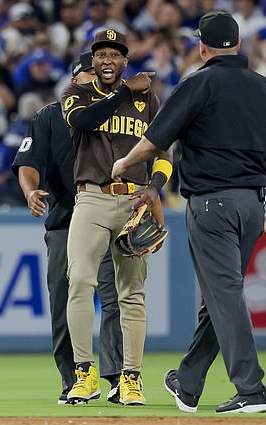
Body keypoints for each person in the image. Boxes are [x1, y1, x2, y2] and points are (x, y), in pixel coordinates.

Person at [112, 11, 266, 414]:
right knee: (219, 296)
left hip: (212, 203)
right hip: (253, 203)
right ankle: (188, 382)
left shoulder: (197, 82)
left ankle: (251, 388)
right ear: (239, 44)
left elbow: (156, 139)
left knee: (224, 293)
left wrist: (123, 164)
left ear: (202, 46)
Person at [61, 29, 172, 406]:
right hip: (91, 198)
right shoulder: (76, 94)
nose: (107, 60)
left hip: (133, 202)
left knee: (132, 294)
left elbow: (162, 152)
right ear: (92, 61)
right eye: (101, 54)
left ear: (125, 60)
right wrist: (125, 91)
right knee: (79, 281)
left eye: (115, 54)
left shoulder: (149, 101)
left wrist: (155, 188)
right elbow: (85, 121)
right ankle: (84, 373)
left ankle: (131, 377)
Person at [12, 51, 124, 405]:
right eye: (92, 73)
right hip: (65, 219)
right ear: (76, 79)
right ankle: (74, 376)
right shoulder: (50, 116)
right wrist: (31, 191)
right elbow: (28, 162)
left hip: (109, 217)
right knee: (63, 299)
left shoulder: (121, 111)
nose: (100, 78)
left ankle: (118, 377)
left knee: (116, 299)